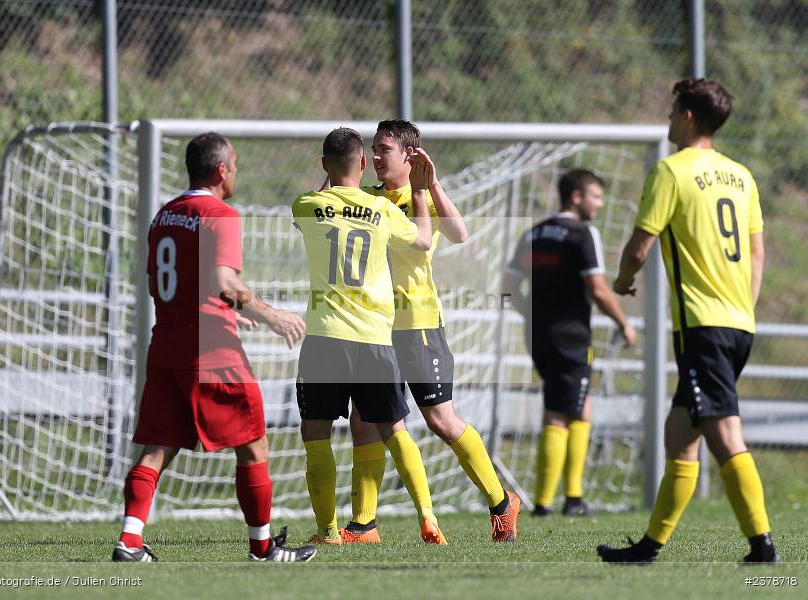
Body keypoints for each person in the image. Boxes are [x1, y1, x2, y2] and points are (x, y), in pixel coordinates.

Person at [597, 78, 778, 564]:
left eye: (674, 109)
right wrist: (743, 308)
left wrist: (622, 280)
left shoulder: (671, 171)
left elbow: (639, 247)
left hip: (703, 325)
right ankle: (649, 547)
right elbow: (758, 254)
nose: (669, 118)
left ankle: (762, 547)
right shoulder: (741, 176)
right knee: (679, 435)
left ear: (689, 116)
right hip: (738, 322)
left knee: (724, 435)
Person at [112, 132, 315, 563]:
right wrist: (272, 316)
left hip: (166, 345)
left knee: (157, 447)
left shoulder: (165, 216)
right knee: (253, 443)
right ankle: (262, 548)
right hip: (211, 352)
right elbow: (224, 280)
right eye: (235, 165)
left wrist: (219, 311)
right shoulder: (219, 214)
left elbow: (165, 282)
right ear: (221, 170)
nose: (236, 172)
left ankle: (129, 540)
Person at [340, 120, 520, 544]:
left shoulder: (421, 197)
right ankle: (363, 526)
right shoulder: (368, 197)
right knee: (363, 420)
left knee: (440, 420)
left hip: (418, 326)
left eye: (384, 149)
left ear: (409, 155)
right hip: (375, 327)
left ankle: (501, 504)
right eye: (373, 149)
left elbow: (459, 233)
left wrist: (432, 185)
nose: (376, 156)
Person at [292, 127, 447, 545]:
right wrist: (419, 191)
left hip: (325, 339)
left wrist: (330, 177)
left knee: (316, 434)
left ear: (324, 165)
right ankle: (428, 516)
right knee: (395, 430)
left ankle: (328, 531)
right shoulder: (381, 210)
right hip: (375, 340)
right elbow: (423, 239)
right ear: (363, 163)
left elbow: (318, 200)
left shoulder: (307, 205)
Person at [503, 169, 637, 517]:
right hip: (570, 336)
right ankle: (550, 502)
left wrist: (529, 313)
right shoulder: (582, 233)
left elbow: (507, 287)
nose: (600, 204)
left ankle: (570, 497)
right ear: (576, 197)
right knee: (561, 411)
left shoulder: (533, 233)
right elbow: (598, 289)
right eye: (596, 196)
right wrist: (623, 322)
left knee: (576, 404)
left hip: (537, 334)